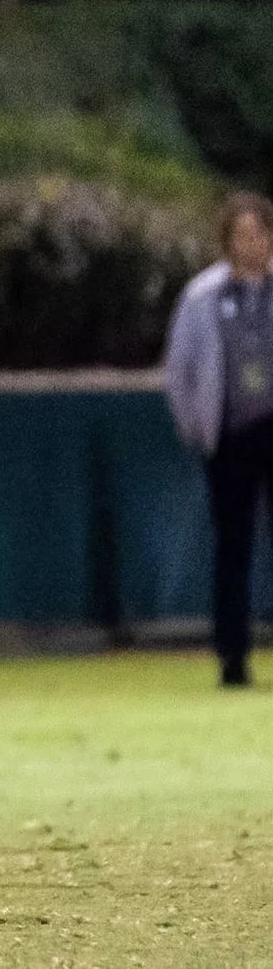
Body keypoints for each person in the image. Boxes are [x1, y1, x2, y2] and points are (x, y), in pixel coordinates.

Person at [164, 193, 273, 688]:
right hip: (231, 434)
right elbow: (180, 370)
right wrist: (197, 428)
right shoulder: (202, 297)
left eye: (259, 233)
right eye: (241, 234)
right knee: (233, 548)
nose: (251, 243)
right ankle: (233, 658)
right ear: (226, 241)